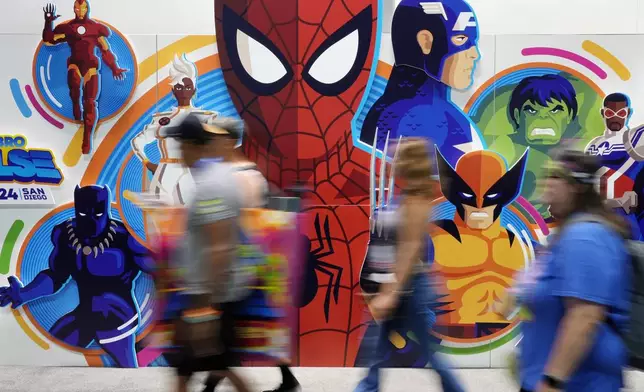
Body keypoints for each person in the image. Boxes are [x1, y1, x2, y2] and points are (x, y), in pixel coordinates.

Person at [511, 149, 632, 392]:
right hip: (547, 375)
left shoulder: (586, 237)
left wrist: (552, 382)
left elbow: (585, 316)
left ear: (576, 186)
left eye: (555, 176)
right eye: (547, 174)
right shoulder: (567, 233)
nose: (546, 182)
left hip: (577, 383)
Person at [196, 118, 301, 392]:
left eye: (216, 138)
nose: (211, 144)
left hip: (242, 263)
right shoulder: (236, 173)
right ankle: (287, 379)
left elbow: (239, 221)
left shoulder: (242, 176)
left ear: (230, 141)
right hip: (245, 261)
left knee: (235, 325)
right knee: (251, 323)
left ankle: (213, 384)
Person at [355, 137, 465, 392]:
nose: (395, 162)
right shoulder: (407, 197)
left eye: (400, 157)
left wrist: (388, 294)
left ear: (412, 163)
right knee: (377, 350)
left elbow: (409, 249)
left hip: (410, 289)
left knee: (428, 354)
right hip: (402, 287)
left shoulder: (416, 202)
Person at [165, 114, 252, 392]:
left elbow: (221, 246)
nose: (178, 151)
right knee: (192, 366)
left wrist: (207, 307)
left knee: (211, 364)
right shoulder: (212, 178)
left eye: (180, 144)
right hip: (205, 292)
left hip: (212, 295)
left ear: (192, 145)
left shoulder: (212, 186)